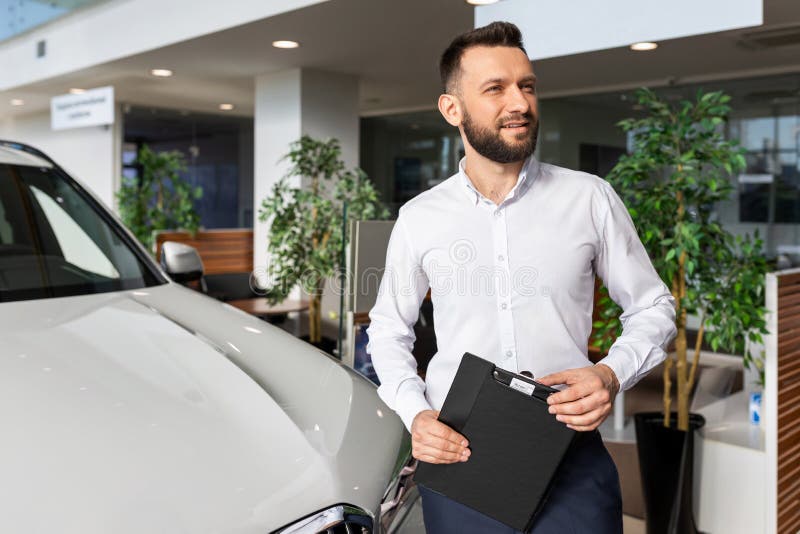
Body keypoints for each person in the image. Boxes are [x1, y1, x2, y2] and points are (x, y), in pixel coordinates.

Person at [366, 21, 676, 534]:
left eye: (527, 86)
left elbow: (652, 308)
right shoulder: (420, 216)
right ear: (452, 110)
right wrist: (414, 414)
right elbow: (387, 330)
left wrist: (611, 373)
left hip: (570, 454)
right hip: (462, 455)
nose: (521, 102)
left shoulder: (590, 198)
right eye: (496, 89)